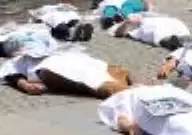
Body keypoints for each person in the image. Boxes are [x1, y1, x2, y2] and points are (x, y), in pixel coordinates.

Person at [2, 49, 134, 97]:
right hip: (49, 67)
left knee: (104, 69)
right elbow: (11, 74)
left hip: (66, 57)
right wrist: (24, 85)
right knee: (89, 80)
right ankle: (130, 91)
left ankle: (128, 85)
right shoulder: (15, 60)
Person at [112, 12, 192, 50]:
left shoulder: (139, 14)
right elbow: (118, 34)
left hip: (159, 21)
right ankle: (179, 41)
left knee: (173, 26)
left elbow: (155, 13)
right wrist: (127, 22)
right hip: (148, 27)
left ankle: (186, 38)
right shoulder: (126, 25)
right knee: (160, 36)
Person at [29, 3, 94, 43]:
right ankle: (77, 33)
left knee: (64, 30)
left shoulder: (50, 12)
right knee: (65, 29)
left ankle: (75, 34)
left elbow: (40, 20)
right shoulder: (65, 17)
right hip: (62, 21)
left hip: (58, 21)